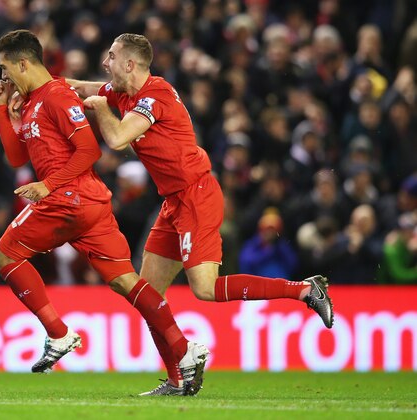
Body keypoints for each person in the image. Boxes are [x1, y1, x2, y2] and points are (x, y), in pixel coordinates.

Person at [66, 33, 334, 395]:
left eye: (110, 56)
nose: (105, 62)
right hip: (173, 201)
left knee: (204, 290)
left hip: (196, 195)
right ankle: (178, 380)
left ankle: (303, 289)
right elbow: (87, 87)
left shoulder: (154, 96)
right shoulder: (126, 92)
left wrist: (99, 109)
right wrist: (44, 87)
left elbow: (116, 140)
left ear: (129, 64)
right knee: (147, 295)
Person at [0, 30, 207, 396]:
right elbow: (16, 158)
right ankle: (186, 350)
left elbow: (90, 150)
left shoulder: (56, 96)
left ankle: (59, 334)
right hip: (89, 205)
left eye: (5, 67)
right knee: (127, 282)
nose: (3, 76)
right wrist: (1, 111)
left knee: (5, 254)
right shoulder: (30, 103)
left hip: (67, 198)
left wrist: (48, 185)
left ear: (23, 63)